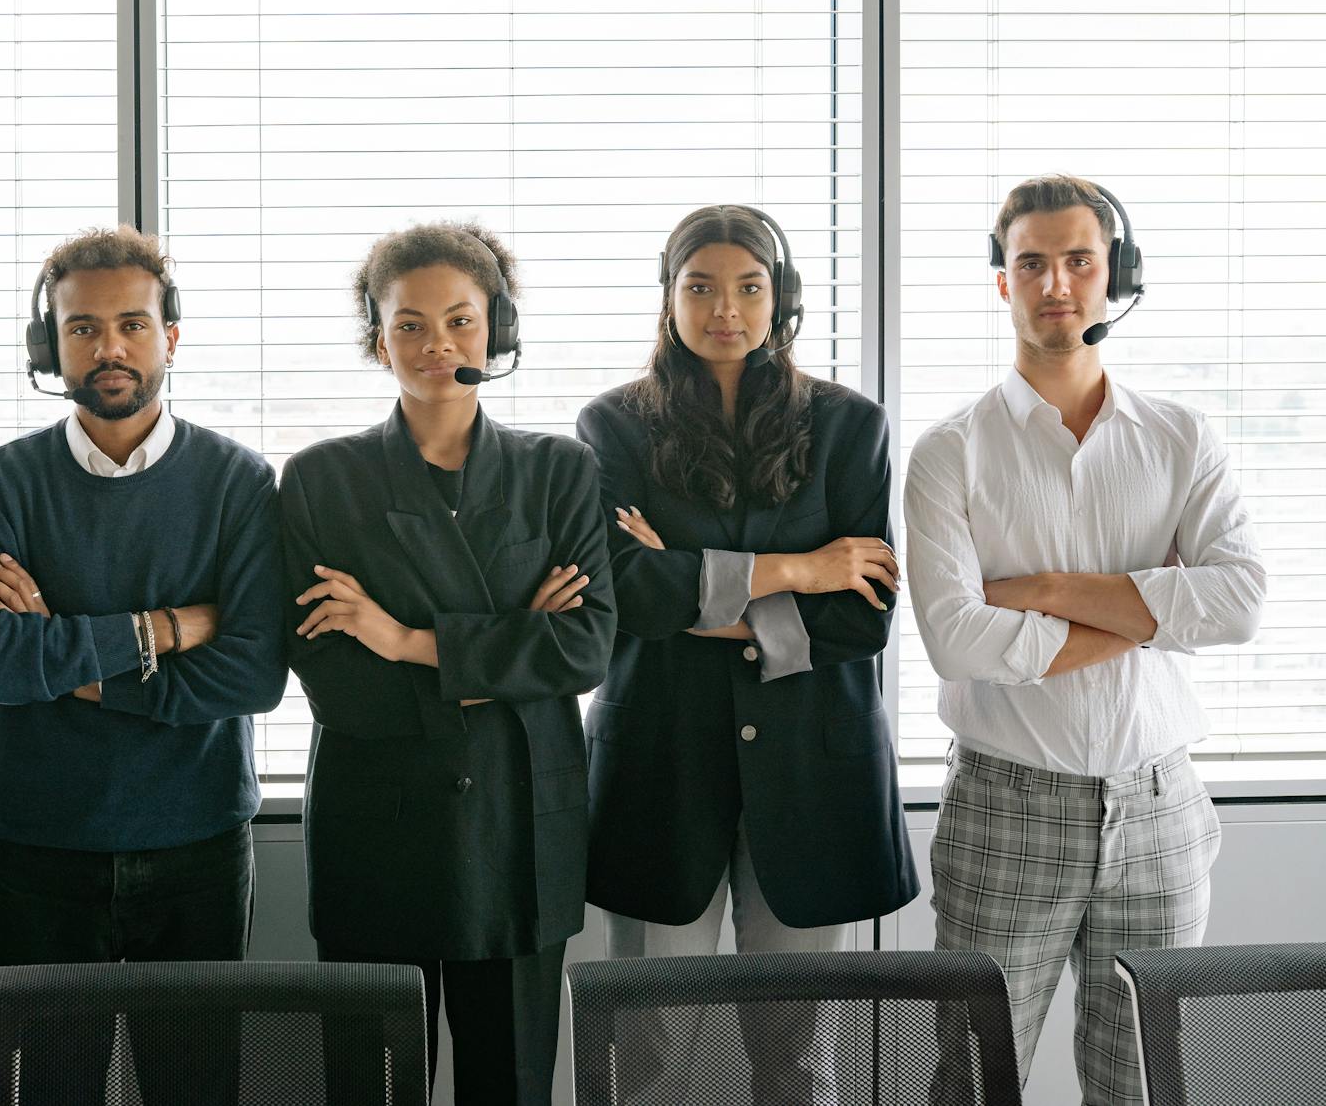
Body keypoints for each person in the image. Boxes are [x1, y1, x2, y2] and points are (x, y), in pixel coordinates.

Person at [906, 175, 1267, 1104]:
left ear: (1116, 277)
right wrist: (1151, 613)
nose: (1056, 282)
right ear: (1003, 283)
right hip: (1004, 807)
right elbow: (958, 640)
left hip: (1158, 810)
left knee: (1141, 1082)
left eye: (1080, 260)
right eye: (1032, 263)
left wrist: (1053, 592)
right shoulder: (951, 450)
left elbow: (1236, 604)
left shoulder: (1182, 438)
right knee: (972, 1079)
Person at [575, 204, 917, 1104]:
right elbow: (623, 594)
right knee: (646, 1052)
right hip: (661, 761)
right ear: (669, 297)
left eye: (749, 286)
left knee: (797, 1057)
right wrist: (804, 568)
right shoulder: (613, 425)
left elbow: (864, 616)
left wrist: (690, 586)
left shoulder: (851, 426)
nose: (724, 307)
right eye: (700, 286)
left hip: (811, 765)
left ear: (782, 297)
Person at [0, 227, 286, 1096]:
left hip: (198, 835)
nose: (110, 346)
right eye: (83, 326)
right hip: (45, 839)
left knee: (196, 1083)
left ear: (172, 336)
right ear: (49, 343)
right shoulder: (1, 482)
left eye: (133, 322)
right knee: (52, 1086)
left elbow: (251, 673)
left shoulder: (239, 482)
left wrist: (58, 648)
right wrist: (163, 629)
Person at [279, 221, 615, 1106]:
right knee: (371, 1084)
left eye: (461, 320)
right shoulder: (321, 478)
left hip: (518, 822)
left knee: (512, 1085)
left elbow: (584, 647)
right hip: (376, 819)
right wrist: (508, 648)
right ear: (375, 334)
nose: (438, 346)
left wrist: (403, 638)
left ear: (496, 326)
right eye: (410, 324)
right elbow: (333, 682)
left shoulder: (562, 470)